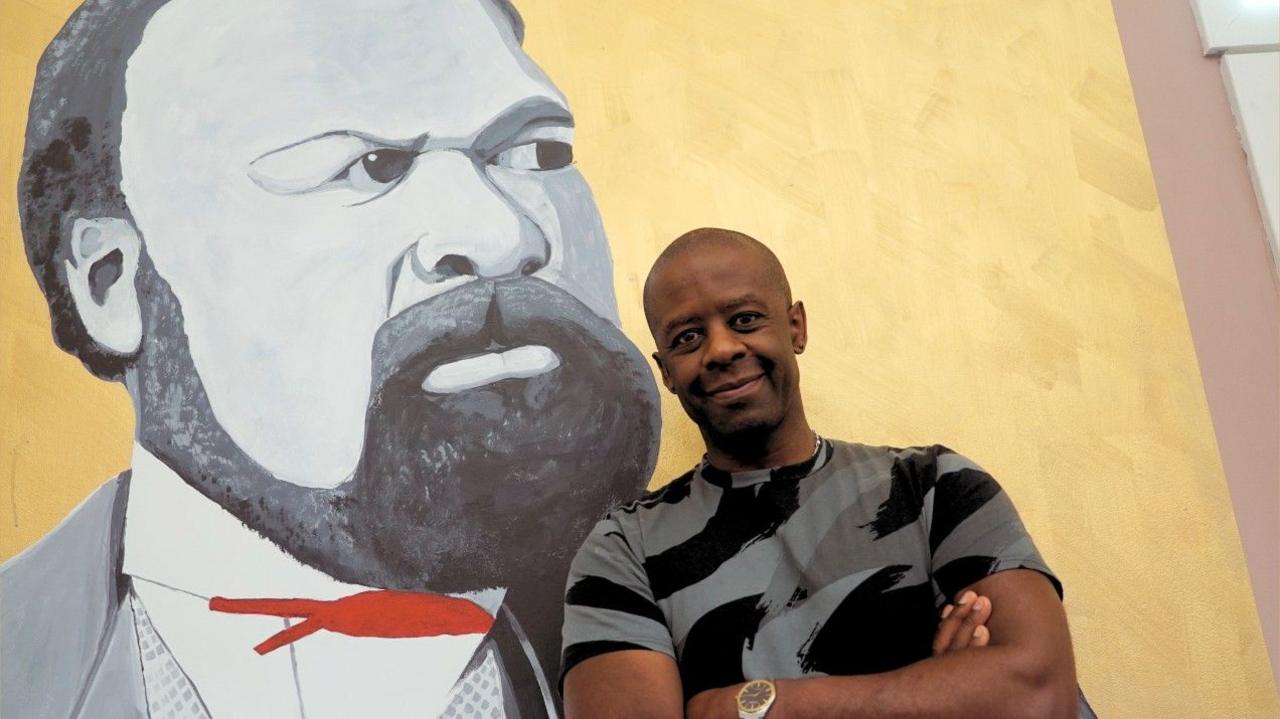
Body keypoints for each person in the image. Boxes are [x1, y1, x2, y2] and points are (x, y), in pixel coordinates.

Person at [0, 0, 660, 717]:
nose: (504, 235)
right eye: (371, 166)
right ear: (111, 283)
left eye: (537, 151)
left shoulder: (681, 608)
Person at [561, 227, 1097, 718]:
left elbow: (1036, 693)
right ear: (666, 374)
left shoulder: (935, 485)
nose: (721, 349)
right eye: (687, 338)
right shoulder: (624, 550)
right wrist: (944, 690)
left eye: (745, 319)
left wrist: (753, 705)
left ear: (796, 327)